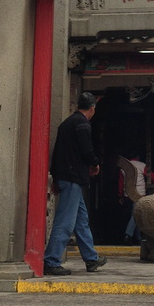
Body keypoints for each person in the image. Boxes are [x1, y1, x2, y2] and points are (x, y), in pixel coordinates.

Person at [43, 91, 107, 276]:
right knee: (65, 221)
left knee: (81, 221)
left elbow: (57, 153)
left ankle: (91, 258)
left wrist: (56, 177)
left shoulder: (66, 123)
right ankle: (51, 260)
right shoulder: (82, 124)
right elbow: (87, 150)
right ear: (92, 108)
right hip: (73, 178)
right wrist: (95, 163)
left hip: (66, 177)